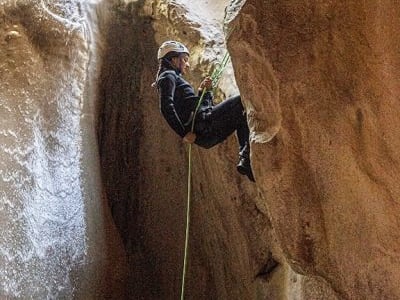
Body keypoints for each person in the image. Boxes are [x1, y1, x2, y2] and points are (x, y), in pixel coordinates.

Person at [154, 40, 255, 182]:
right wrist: (183, 133)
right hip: (204, 125)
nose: (187, 64)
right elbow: (166, 106)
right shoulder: (167, 76)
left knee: (241, 115)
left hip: (205, 132)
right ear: (173, 59)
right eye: (184, 59)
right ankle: (245, 156)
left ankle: (246, 160)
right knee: (241, 101)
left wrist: (204, 92)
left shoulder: (172, 78)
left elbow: (198, 109)